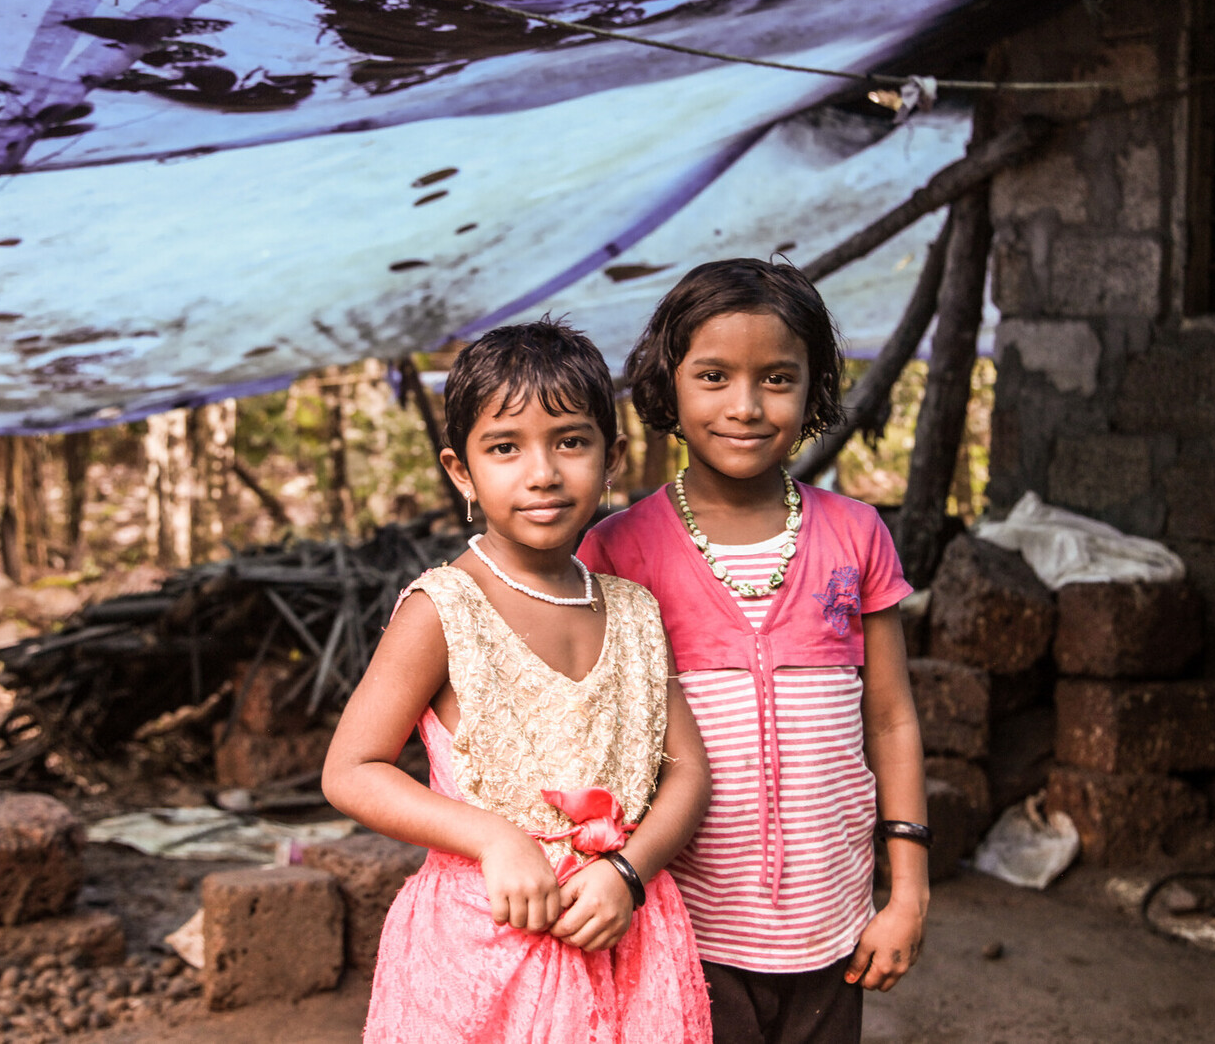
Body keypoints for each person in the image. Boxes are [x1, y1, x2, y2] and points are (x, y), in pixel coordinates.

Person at [322, 319, 713, 1044]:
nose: (542, 472)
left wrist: (628, 871)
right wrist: (493, 838)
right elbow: (351, 769)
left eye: (570, 440)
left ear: (612, 456)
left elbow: (688, 770)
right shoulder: (442, 609)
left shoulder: (632, 610)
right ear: (461, 471)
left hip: (624, 933)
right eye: (505, 447)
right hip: (482, 949)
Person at [579, 259, 930, 1044]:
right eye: (713, 375)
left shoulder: (856, 534)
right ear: (669, 385)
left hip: (831, 923)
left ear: (814, 388)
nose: (745, 405)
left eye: (776, 377)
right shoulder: (617, 550)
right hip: (685, 924)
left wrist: (906, 891)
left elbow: (893, 720)